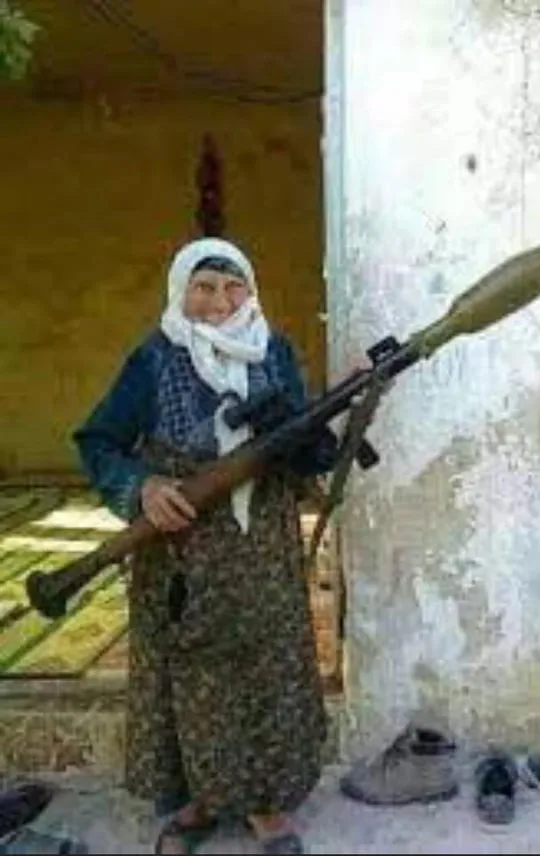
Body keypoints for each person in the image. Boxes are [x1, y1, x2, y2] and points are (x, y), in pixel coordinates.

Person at [73, 238, 340, 855]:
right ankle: (196, 802)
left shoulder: (275, 352)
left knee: (268, 665)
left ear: (251, 291)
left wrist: (326, 435)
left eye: (233, 286)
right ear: (180, 291)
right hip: (180, 548)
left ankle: (266, 805)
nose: (220, 302)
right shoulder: (153, 359)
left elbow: (304, 444)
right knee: (191, 674)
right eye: (203, 287)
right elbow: (99, 441)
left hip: (262, 543)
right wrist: (142, 489)